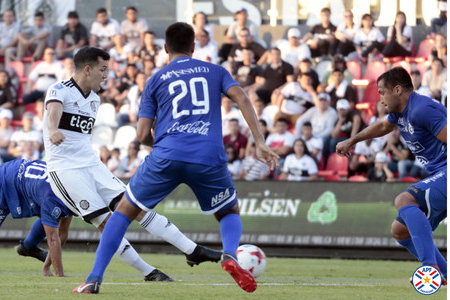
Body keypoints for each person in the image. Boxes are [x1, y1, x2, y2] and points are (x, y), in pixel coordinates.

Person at [75, 23, 278, 294]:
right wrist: (259, 141)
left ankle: (93, 279)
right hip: (208, 155)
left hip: (166, 155)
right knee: (228, 211)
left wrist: (160, 145)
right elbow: (241, 96)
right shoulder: (216, 71)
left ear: (165, 48)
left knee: (122, 213)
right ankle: (229, 253)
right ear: (193, 47)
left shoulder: (156, 80)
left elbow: (142, 133)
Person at [44, 46, 228, 287]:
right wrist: (53, 130)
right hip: (65, 169)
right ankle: (148, 271)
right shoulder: (59, 90)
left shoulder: (95, 99)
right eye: (102, 69)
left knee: (134, 208)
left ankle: (192, 250)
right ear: (87, 69)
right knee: (107, 223)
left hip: (91, 163)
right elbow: (53, 112)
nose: (106, 75)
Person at [335, 67, 447, 283]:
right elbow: (384, 125)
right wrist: (352, 140)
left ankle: (430, 270)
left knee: (404, 200)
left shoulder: (421, 109)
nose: (380, 99)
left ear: (397, 90)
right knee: (400, 230)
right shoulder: (400, 113)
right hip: (440, 173)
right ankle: (447, 275)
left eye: (382, 92)